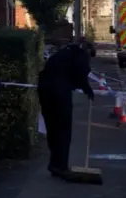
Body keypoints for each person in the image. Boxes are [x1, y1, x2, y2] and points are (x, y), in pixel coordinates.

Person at [38, 43, 95, 180]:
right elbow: (82, 73)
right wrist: (88, 89)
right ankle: (61, 166)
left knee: (52, 130)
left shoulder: (62, 53)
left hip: (44, 92)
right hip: (59, 94)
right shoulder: (80, 56)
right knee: (63, 130)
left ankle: (54, 164)